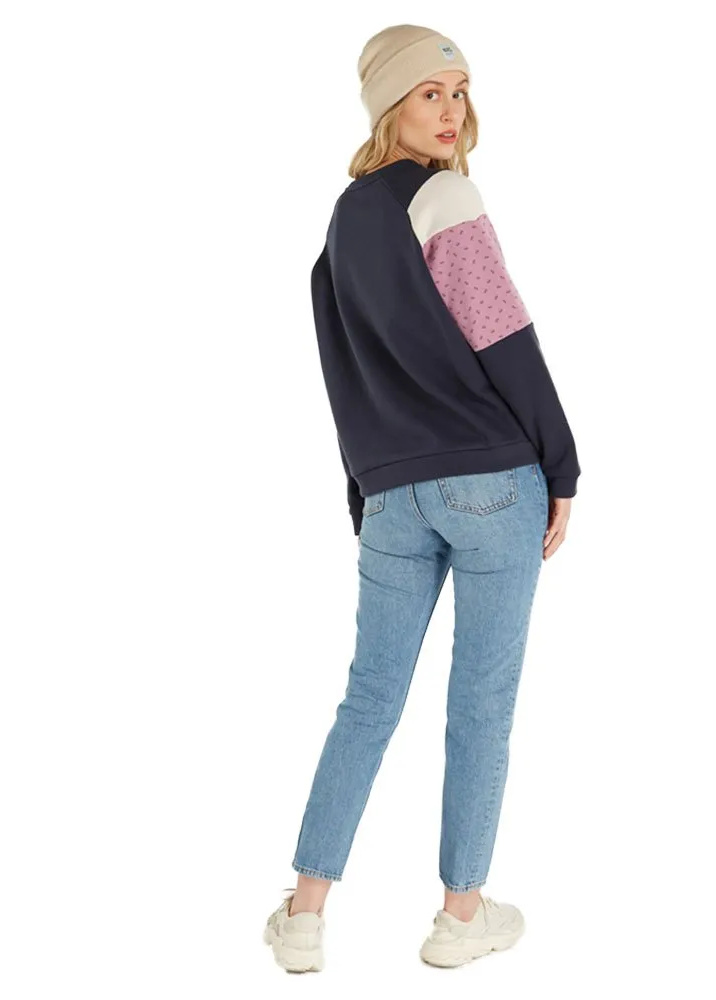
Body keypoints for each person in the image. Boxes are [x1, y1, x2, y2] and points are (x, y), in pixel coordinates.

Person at [262, 24, 580, 972]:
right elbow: (504, 338)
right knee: (480, 704)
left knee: (367, 701)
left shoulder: (342, 222)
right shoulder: (445, 197)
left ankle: (304, 917)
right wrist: (562, 464)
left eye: (460, 90)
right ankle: (460, 919)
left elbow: (343, 371)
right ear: (388, 105)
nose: (451, 110)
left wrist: (363, 487)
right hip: (491, 482)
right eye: (430, 92)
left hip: (392, 494)